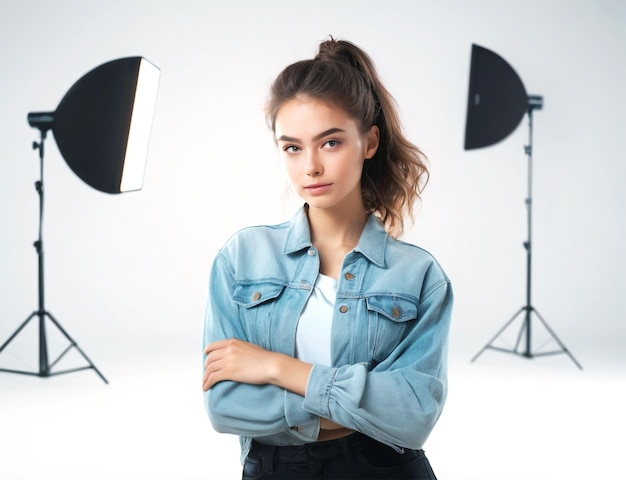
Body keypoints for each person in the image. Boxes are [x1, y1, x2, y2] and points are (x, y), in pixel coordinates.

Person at [202, 37, 452, 480]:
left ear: (369, 142)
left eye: (330, 143)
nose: (310, 167)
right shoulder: (243, 259)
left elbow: (413, 416)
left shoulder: (418, 275)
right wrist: (367, 402)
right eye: (292, 147)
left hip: (385, 469)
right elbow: (226, 407)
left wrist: (278, 368)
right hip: (276, 468)